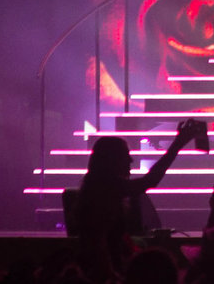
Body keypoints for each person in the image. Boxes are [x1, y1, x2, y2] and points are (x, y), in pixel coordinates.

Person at [69, 119, 205, 278]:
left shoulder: (97, 187)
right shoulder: (107, 187)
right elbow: (150, 181)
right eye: (126, 156)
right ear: (112, 161)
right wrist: (178, 144)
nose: (131, 161)